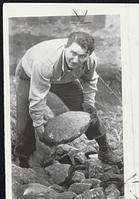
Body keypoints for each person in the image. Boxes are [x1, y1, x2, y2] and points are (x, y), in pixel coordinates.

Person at [14, 31, 121, 168]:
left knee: (89, 111)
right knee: (25, 120)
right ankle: (23, 159)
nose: (76, 60)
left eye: (82, 56)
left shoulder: (91, 60)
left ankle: (105, 149)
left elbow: (90, 81)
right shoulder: (45, 62)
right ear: (65, 47)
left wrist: (88, 103)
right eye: (73, 53)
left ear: (88, 55)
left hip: (64, 79)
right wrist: (39, 124)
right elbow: (38, 96)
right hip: (29, 75)